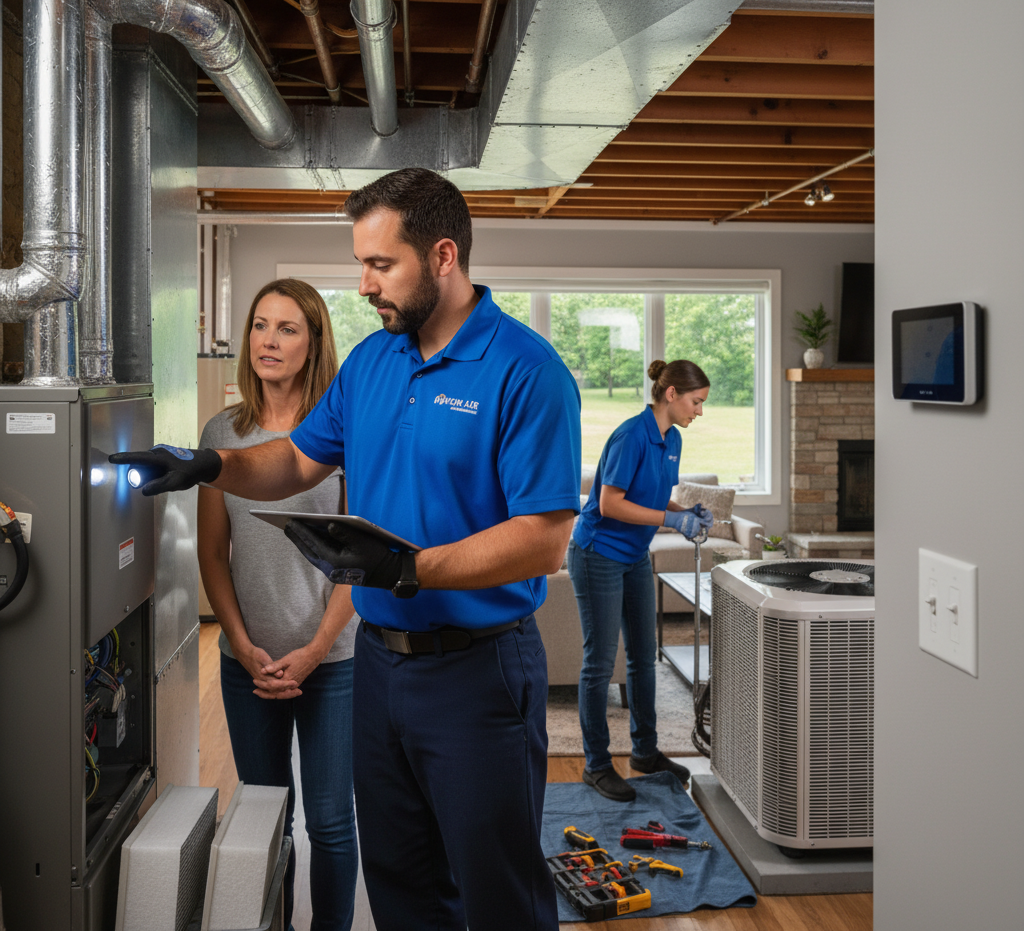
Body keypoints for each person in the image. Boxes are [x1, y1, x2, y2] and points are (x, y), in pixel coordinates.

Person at [111, 168, 582, 931]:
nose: (364, 285)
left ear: (443, 256)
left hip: (479, 671)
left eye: (381, 265)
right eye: (361, 263)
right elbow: (297, 460)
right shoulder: (372, 363)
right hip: (379, 668)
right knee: (399, 879)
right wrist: (211, 465)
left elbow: (544, 540)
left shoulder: (526, 370)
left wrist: (410, 569)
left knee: (496, 890)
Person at [197, 278, 358, 931]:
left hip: (333, 661)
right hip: (249, 662)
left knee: (331, 822)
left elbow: (357, 559)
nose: (267, 340)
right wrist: (240, 645)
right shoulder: (222, 432)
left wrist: (316, 650)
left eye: (287, 328)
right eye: (260, 325)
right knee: (266, 817)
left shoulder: (342, 433)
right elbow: (213, 552)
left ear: (314, 341)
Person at [567, 359, 713, 803]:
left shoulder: (673, 439)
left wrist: (685, 512)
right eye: (696, 402)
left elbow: (654, 495)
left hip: (633, 557)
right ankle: (596, 765)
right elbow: (609, 504)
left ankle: (645, 753)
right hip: (597, 554)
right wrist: (671, 519)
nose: (699, 411)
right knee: (600, 663)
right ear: (671, 394)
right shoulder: (631, 435)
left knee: (644, 658)